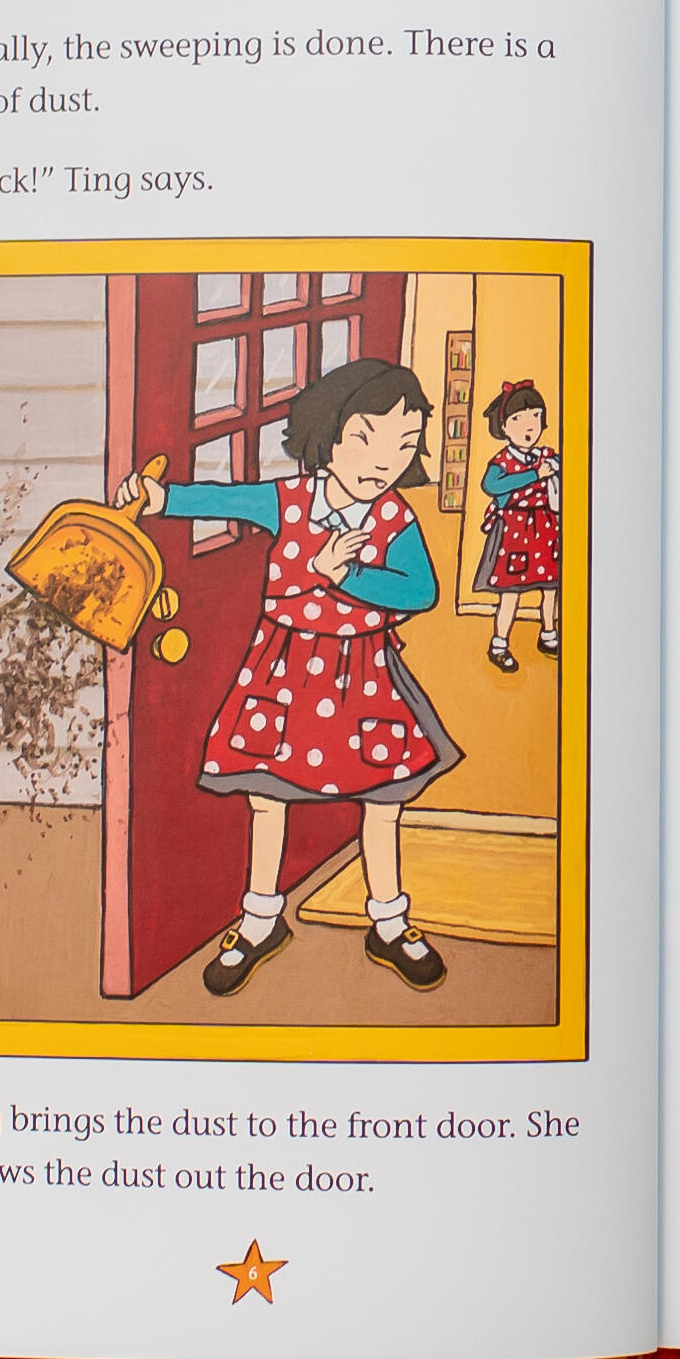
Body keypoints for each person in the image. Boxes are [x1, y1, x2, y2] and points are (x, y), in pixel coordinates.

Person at [117, 357, 458, 996]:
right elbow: (223, 499)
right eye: (367, 439)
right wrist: (162, 499)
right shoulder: (288, 499)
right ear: (328, 432)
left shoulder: (394, 518)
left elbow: (420, 591)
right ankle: (259, 921)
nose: (383, 462)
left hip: (364, 676)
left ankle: (389, 923)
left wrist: (342, 574)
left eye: (403, 445)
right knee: (268, 797)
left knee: (383, 801)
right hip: (283, 670)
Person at [475, 377, 560, 672]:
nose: (529, 426)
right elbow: (491, 485)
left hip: (545, 528)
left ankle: (548, 634)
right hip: (514, 531)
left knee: (551, 587)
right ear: (504, 426)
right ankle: (499, 644)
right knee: (510, 592)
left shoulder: (547, 455)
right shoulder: (502, 461)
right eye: (519, 419)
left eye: (535, 416)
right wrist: (535, 475)